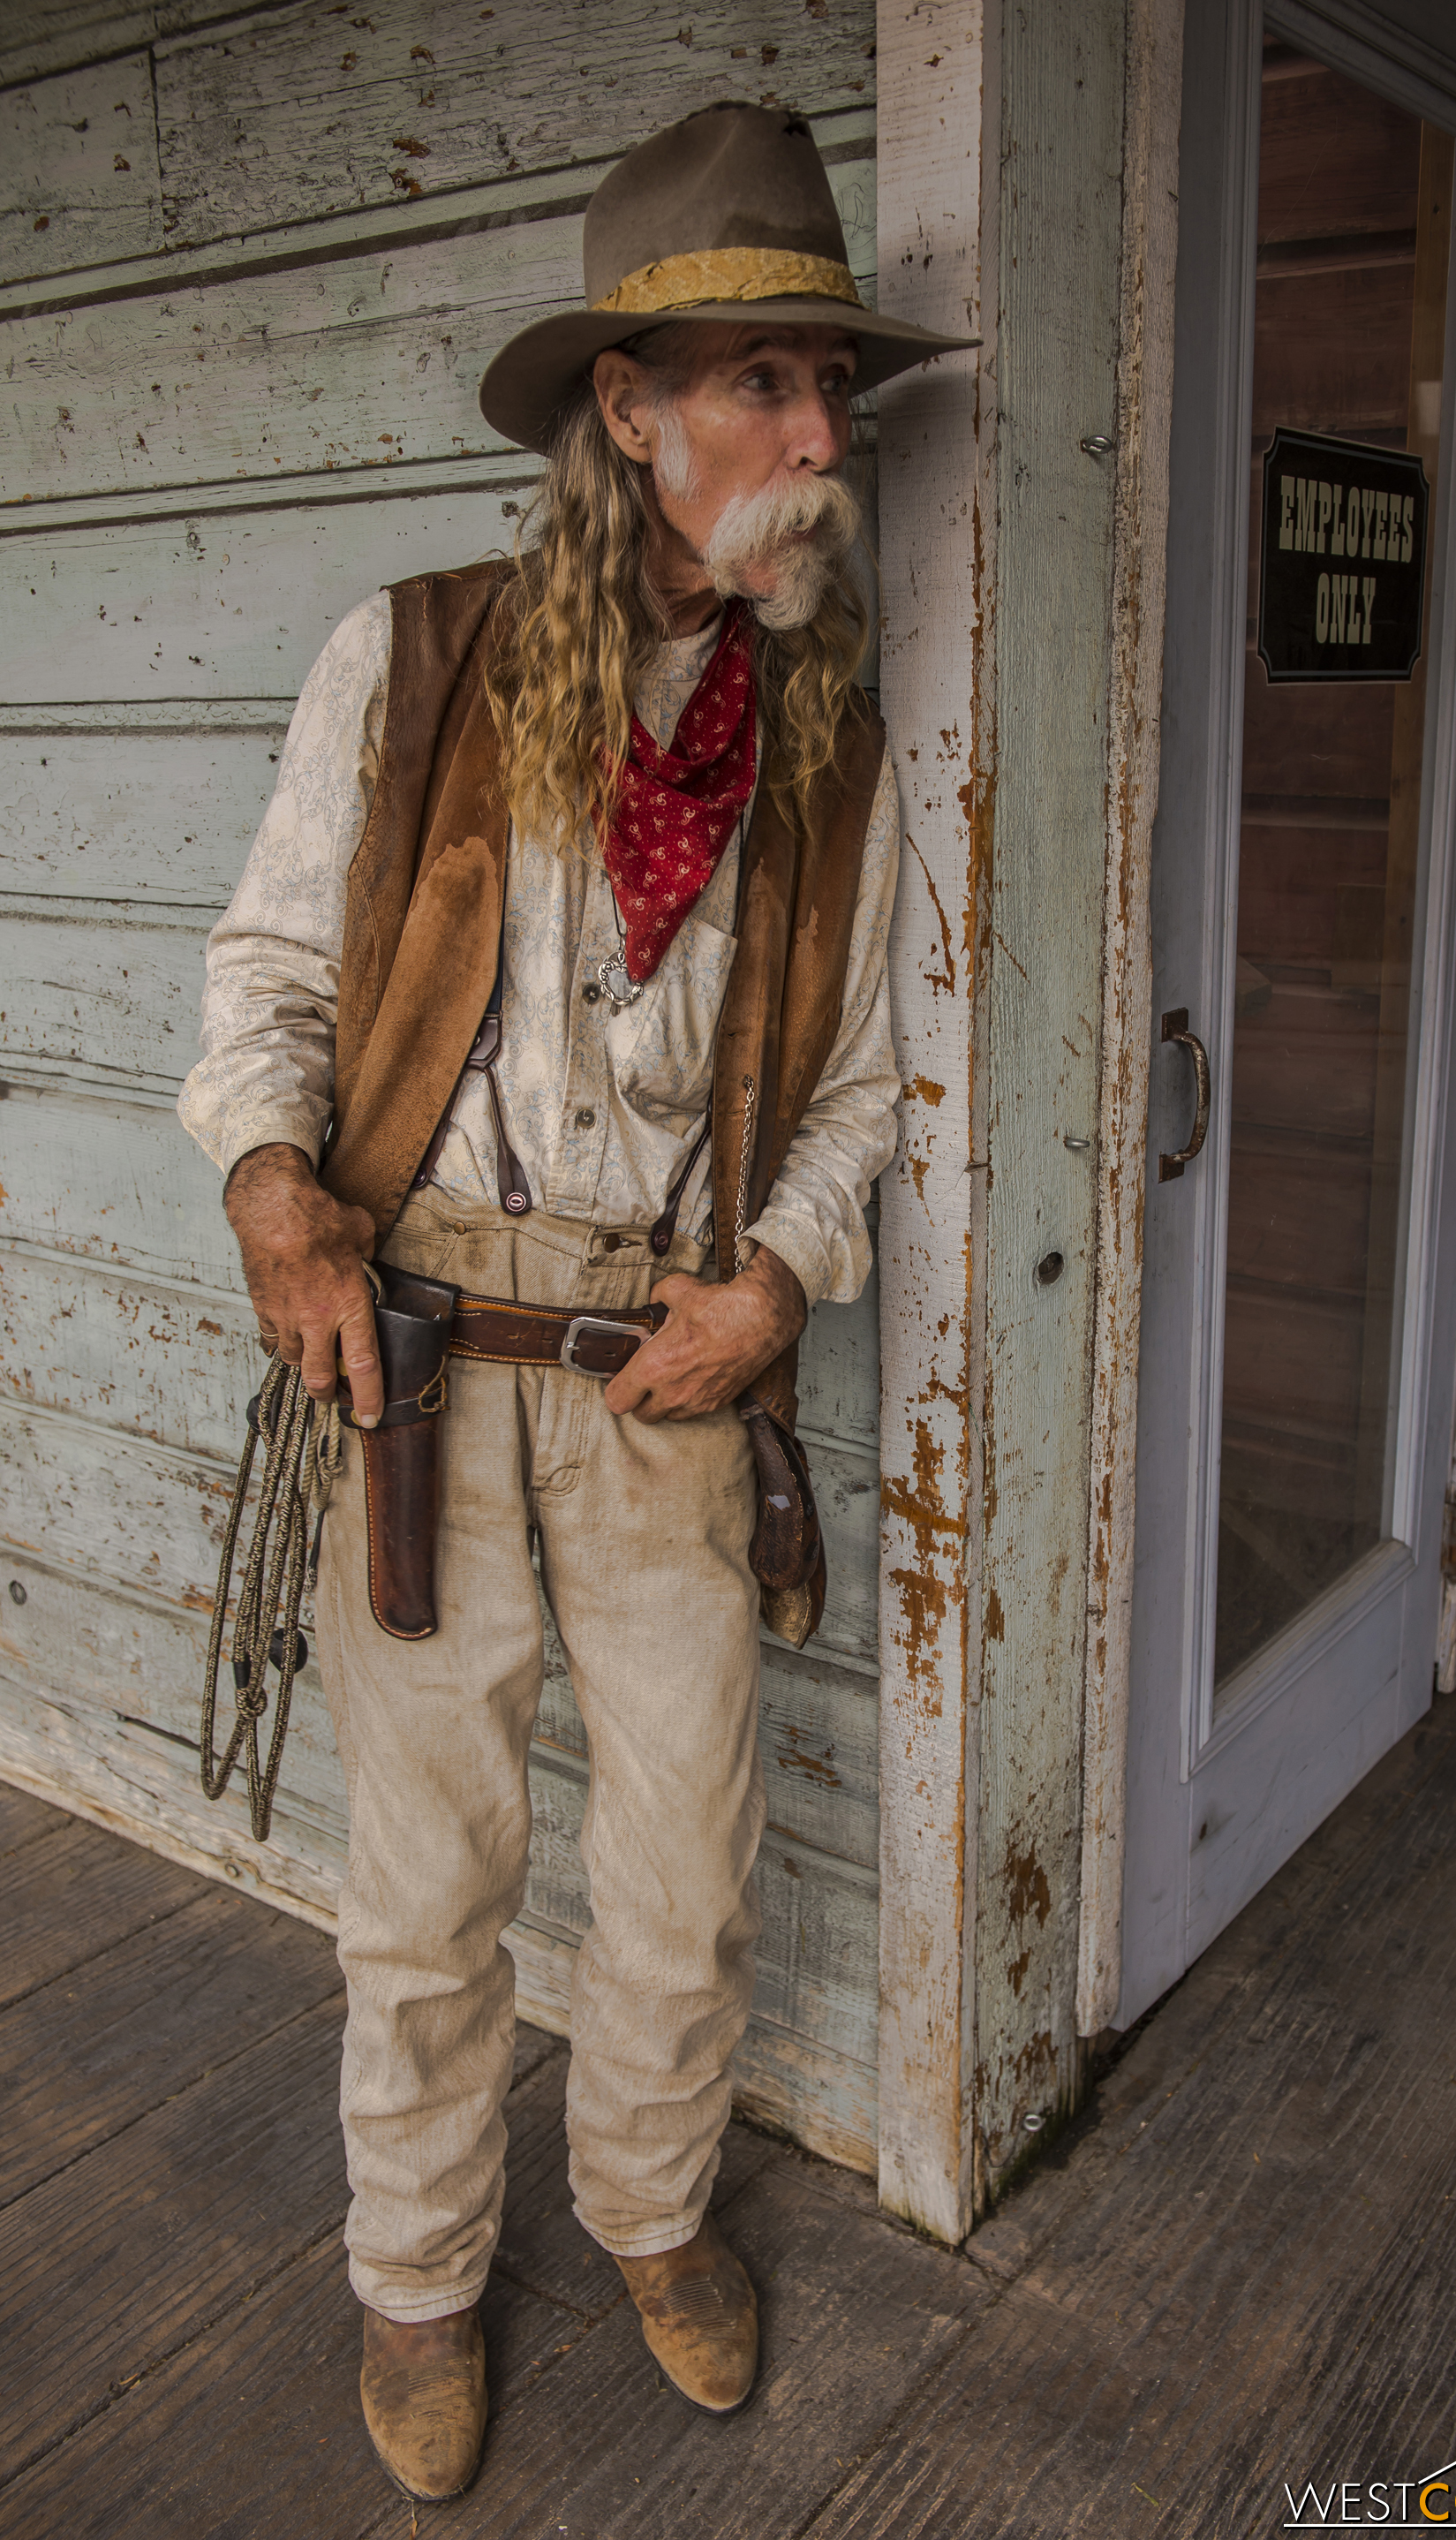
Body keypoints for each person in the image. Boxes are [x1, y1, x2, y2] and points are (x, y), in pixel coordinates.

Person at [178, 100, 972, 2505]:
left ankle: (645, 2206)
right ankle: (418, 2268)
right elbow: (259, 994)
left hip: (669, 1373)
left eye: (829, 384)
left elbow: (855, 1095)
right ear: (625, 408)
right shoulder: (411, 664)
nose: (823, 432)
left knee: (686, 1854)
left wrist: (775, 1281)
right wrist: (284, 1216)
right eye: (763, 380)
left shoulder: (816, 753)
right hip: (415, 1364)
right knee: (424, 1886)